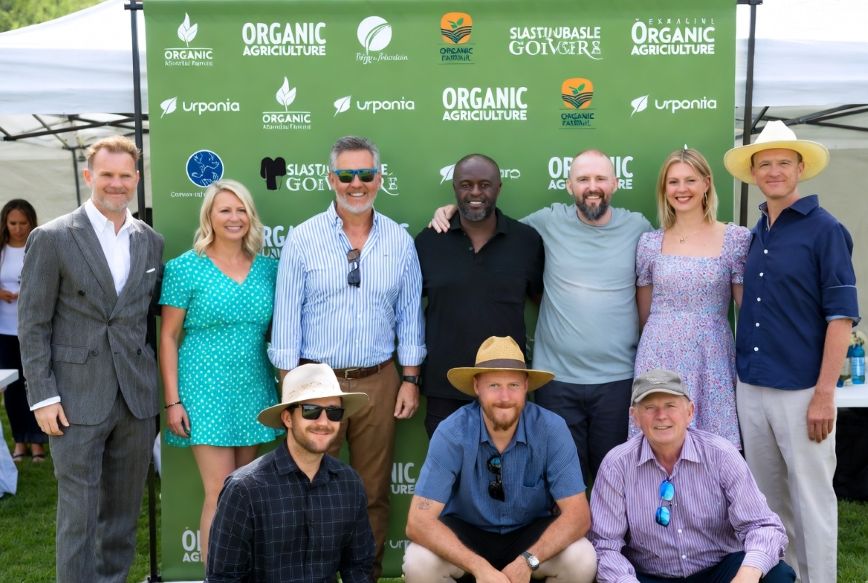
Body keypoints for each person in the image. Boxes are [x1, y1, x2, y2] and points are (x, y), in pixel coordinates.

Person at [432, 150, 652, 482]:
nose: (592, 187)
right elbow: (491, 224)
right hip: (556, 381)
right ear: (568, 186)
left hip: (618, 381)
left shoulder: (639, 228)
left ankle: (610, 537)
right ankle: (568, 537)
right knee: (562, 483)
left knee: (617, 482)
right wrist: (453, 211)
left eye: (600, 179)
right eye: (583, 180)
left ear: (616, 184)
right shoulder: (545, 223)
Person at [269, 135, 425, 576]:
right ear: (330, 178)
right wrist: (290, 389)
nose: (356, 183)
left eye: (366, 174)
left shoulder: (399, 240)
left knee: (372, 491)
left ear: (379, 178)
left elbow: (410, 315)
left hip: (379, 379)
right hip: (317, 382)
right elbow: (286, 322)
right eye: (346, 174)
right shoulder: (303, 239)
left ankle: (364, 573)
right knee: (309, 486)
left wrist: (410, 379)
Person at [17, 135, 164, 583]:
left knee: (122, 516)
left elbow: (144, 322)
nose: (116, 184)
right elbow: (33, 323)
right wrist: (42, 397)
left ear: (136, 179)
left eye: (125, 176)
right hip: (75, 399)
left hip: (135, 400)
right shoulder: (53, 238)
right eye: (107, 175)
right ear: (88, 176)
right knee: (79, 516)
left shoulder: (151, 242)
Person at [724, 120, 860, 583]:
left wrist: (825, 394)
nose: (775, 171)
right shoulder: (757, 233)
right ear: (754, 172)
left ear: (800, 168)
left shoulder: (826, 231)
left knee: (813, 499)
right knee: (767, 502)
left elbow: (841, 317)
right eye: (766, 164)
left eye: (784, 162)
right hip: (753, 384)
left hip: (802, 390)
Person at [403, 336, 597, 583]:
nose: (504, 396)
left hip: (530, 535)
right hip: (468, 533)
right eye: (494, 385)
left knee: (581, 557)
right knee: (418, 562)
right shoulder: (452, 431)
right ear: (476, 386)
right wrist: (479, 567)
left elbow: (578, 516)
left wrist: (528, 560)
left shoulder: (551, 428)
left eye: (513, 385)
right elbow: (418, 522)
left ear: (526, 386)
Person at [160, 179, 282, 566]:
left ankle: (245, 571)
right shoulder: (184, 268)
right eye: (225, 210)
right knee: (221, 491)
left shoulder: (269, 269)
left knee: (247, 491)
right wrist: (172, 400)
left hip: (253, 385)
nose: (234, 217)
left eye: (241, 209)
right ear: (209, 216)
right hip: (203, 388)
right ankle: (218, 576)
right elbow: (167, 336)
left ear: (251, 216)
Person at [590, 369, 795, 583]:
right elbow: (605, 545)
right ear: (635, 417)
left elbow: (762, 525)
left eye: (671, 405)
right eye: (650, 408)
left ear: (690, 412)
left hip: (719, 569)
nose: (661, 416)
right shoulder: (616, 465)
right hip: (652, 575)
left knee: (776, 576)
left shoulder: (721, 454)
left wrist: (748, 575)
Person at [206, 363, 375, 582]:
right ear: (287, 418)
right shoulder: (244, 489)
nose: (324, 422)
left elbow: (359, 569)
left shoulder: (349, 483)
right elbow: (224, 578)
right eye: (311, 411)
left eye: (334, 412)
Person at [415, 153, 544, 437]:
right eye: (466, 184)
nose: (475, 192)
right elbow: (408, 313)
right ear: (454, 188)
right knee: (449, 478)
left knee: (505, 476)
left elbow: (544, 303)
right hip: (443, 389)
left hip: (506, 389)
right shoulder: (428, 242)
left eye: (484, 184)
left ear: (499, 187)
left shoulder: (527, 241)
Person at [633, 148, 750, 448]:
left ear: (707, 183)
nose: (681, 189)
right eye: (673, 182)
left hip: (711, 356)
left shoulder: (735, 239)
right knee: (659, 440)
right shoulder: (649, 243)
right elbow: (644, 315)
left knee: (713, 446)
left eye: (690, 180)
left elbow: (746, 311)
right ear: (664, 188)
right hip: (658, 354)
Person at [0, 199, 47, 463]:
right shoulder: (1, 251)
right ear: (5, 224)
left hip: (33, 329)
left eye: (22, 223)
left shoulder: (39, 246)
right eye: (13, 223)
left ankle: (38, 440)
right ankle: (20, 440)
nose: (18, 228)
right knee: (14, 387)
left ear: (31, 223)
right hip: (5, 331)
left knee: (36, 382)